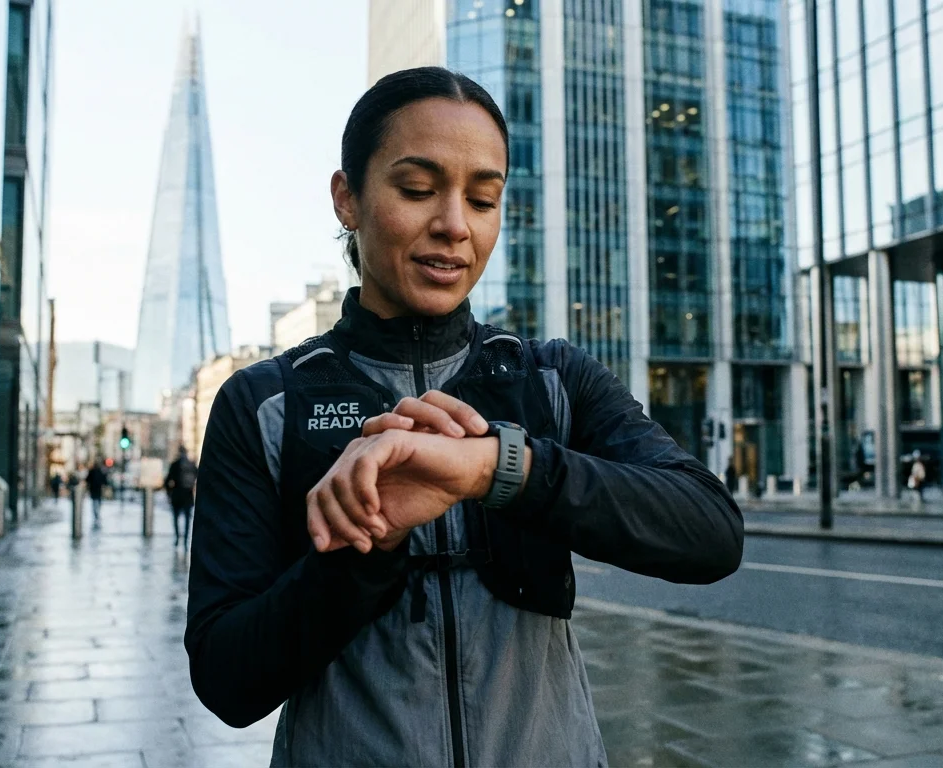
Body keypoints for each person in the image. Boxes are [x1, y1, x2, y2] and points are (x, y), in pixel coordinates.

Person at [184, 67, 744, 767]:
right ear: (347, 199)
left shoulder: (552, 379)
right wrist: (368, 540)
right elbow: (227, 680)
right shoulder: (265, 403)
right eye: (417, 190)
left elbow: (711, 532)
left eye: (483, 198)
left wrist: (500, 469)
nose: (453, 225)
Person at [164, 447, 198, 548]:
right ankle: (186, 540)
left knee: (176, 518)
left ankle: (177, 538)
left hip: (177, 494)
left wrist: (169, 493)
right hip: (188, 495)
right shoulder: (192, 465)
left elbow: (167, 481)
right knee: (187, 519)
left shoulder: (175, 465)